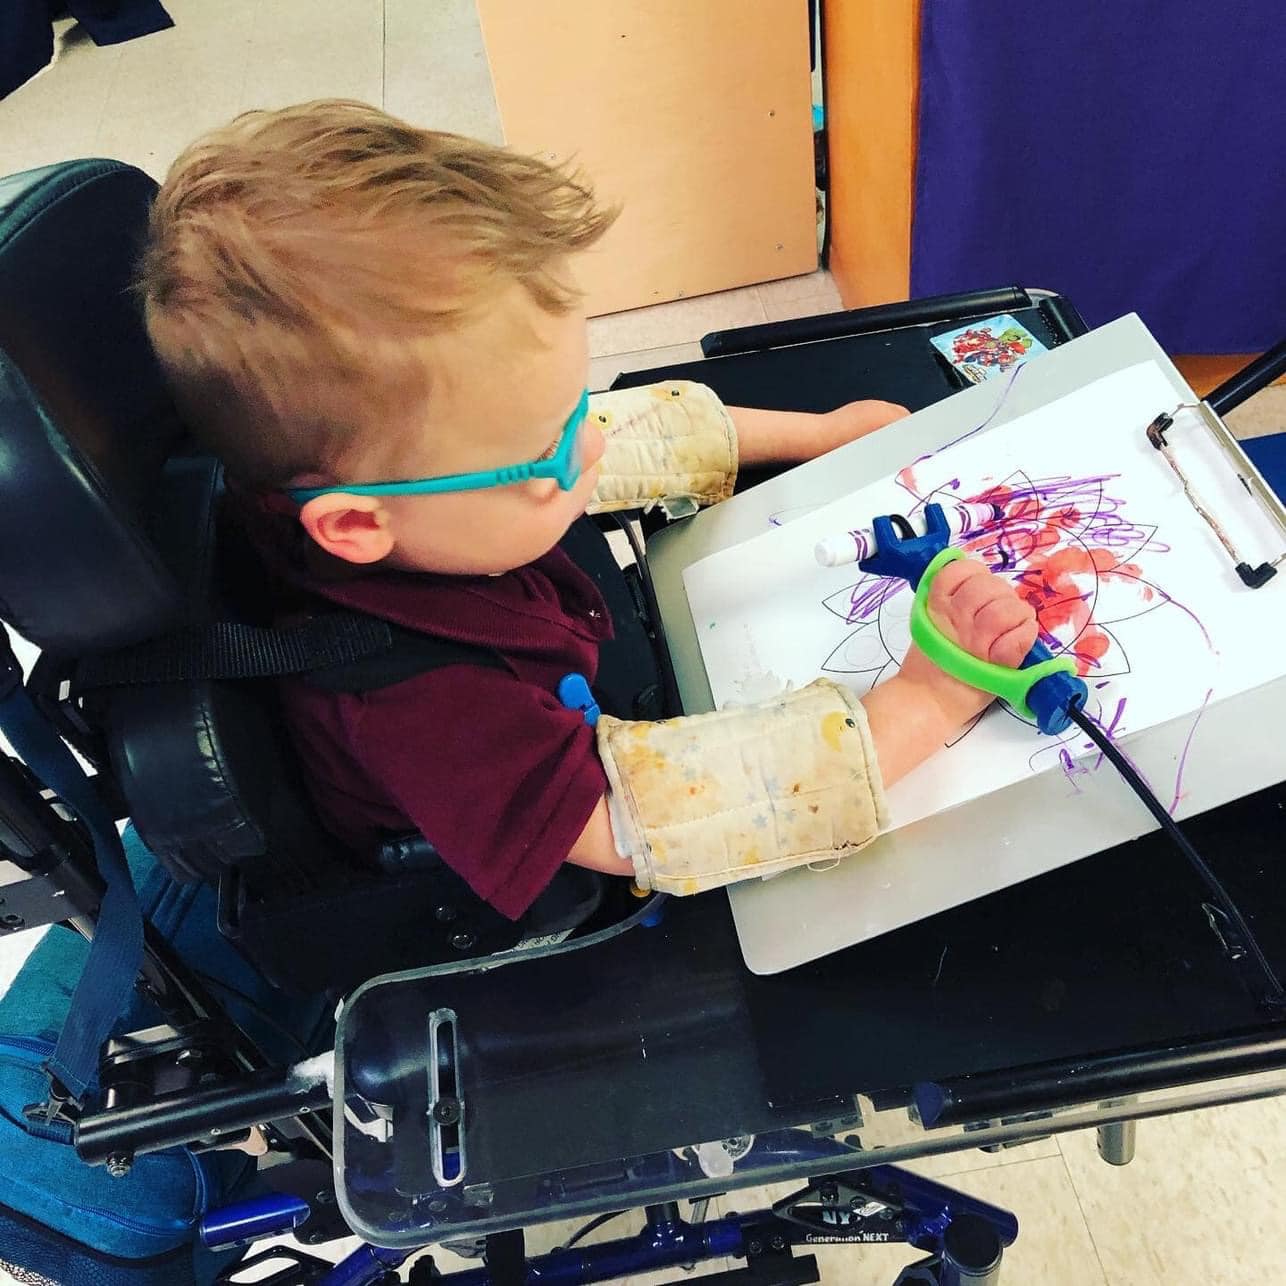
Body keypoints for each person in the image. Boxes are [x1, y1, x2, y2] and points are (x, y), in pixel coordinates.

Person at [138, 100, 1037, 915]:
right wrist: (930, 695)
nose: (593, 445)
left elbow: (586, 435)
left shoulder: (412, 494)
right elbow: (638, 825)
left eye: (573, 404)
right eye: (547, 449)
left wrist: (820, 433)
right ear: (358, 525)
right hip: (523, 839)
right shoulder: (423, 705)